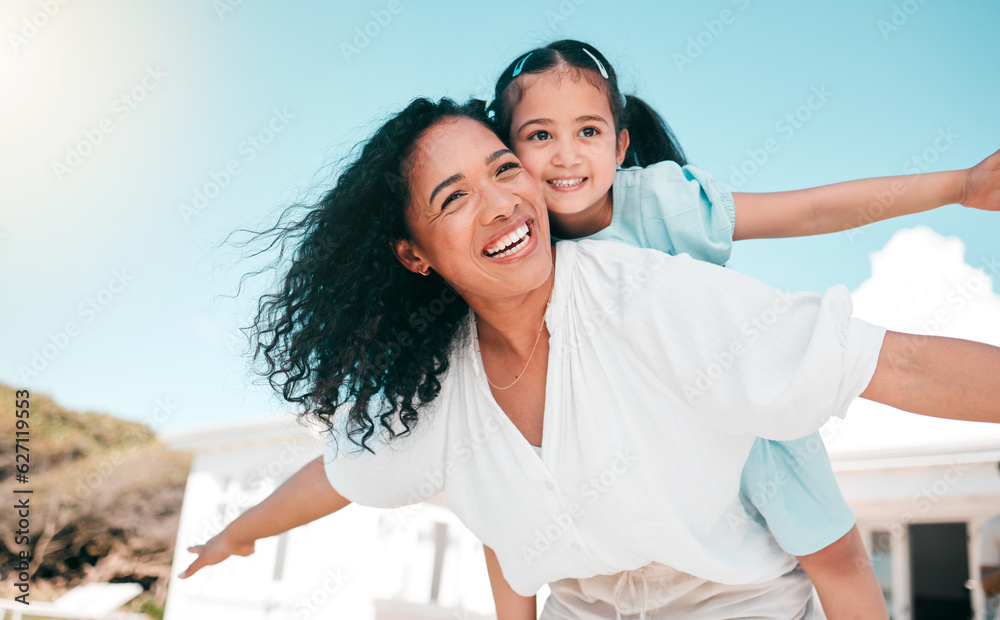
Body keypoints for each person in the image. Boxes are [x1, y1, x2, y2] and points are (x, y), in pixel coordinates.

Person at [180, 97, 1000, 619]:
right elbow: (338, 472)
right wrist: (237, 535)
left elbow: (897, 365)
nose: (502, 202)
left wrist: (960, 183)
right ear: (413, 254)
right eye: (454, 196)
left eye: (505, 169)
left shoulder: (643, 295)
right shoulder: (433, 388)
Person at [474, 39, 1000, 619]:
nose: (566, 155)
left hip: (734, 409)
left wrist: (960, 187)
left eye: (589, 132)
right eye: (540, 135)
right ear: (507, 149)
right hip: (638, 441)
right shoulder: (508, 242)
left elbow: (809, 211)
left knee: (834, 554)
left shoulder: (657, 204)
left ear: (621, 145)